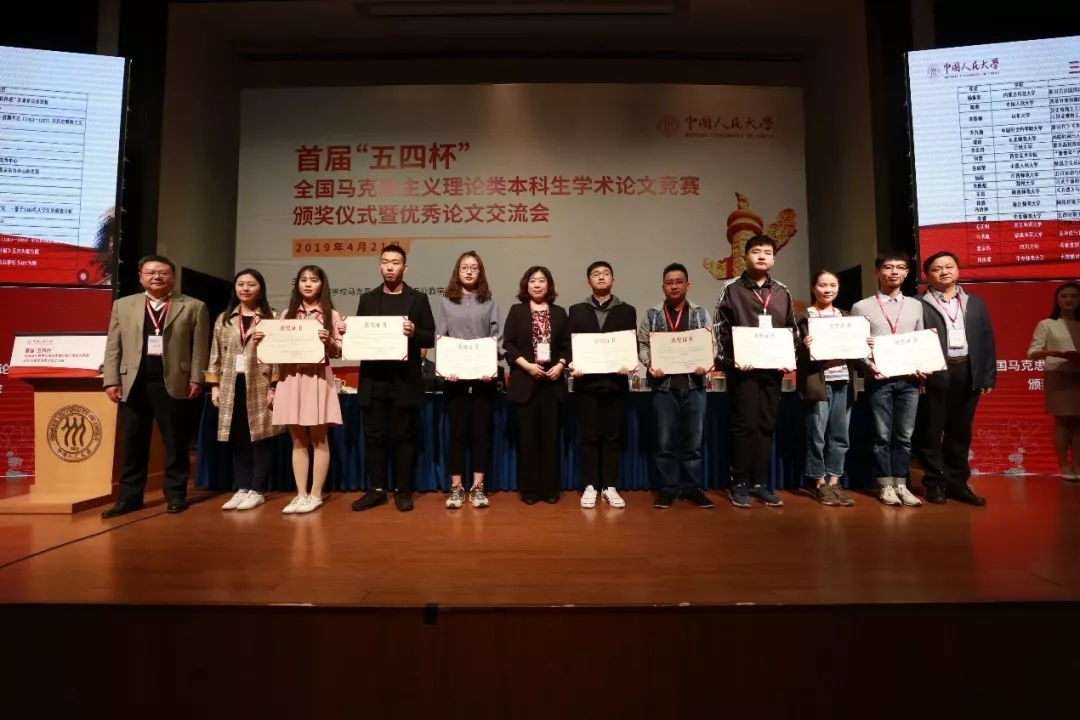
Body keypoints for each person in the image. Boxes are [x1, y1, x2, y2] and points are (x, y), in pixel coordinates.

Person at [101, 255, 209, 517]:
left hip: (174, 381)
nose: (157, 277)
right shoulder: (123, 305)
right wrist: (111, 379)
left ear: (173, 276)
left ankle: (175, 495)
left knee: (175, 443)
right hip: (133, 382)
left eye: (163, 273)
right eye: (150, 273)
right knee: (133, 443)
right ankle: (129, 498)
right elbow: (113, 345)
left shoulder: (193, 306)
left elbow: (200, 348)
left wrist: (197, 378)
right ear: (141, 277)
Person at [348, 244, 436, 513]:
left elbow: (430, 336)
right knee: (373, 437)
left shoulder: (417, 299)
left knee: (403, 437)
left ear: (404, 268)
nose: (389, 267)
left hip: (404, 380)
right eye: (385, 262)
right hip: (374, 379)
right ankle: (376, 490)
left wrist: (414, 332)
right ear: (379, 266)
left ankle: (402, 490)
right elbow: (358, 337)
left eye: (395, 262)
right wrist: (346, 331)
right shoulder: (368, 299)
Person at [713, 235, 798, 509]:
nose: (762, 256)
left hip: (772, 370)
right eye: (756, 251)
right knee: (744, 425)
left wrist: (789, 359)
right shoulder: (731, 289)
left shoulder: (782, 291)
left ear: (774, 258)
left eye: (767, 252)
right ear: (745, 257)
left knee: (766, 425)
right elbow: (720, 330)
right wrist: (735, 360)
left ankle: (760, 483)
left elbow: (791, 330)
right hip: (744, 371)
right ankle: (738, 482)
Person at [916, 251, 995, 506]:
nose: (944, 272)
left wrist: (987, 376)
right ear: (927, 275)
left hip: (967, 371)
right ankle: (934, 483)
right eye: (937, 268)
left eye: (949, 266)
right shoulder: (917, 304)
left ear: (958, 270)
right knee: (931, 431)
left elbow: (986, 338)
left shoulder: (975, 302)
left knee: (960, 431)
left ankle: (957, 483)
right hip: (934, 371)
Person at [637, 262, 715, 509]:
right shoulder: (652, 315)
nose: (674, 286)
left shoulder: (700, 313)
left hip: (695, 386)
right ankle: (668, 489)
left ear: (687, 285)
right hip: (664, 388)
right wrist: (650, 363)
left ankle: (691, 489)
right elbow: (642, 344)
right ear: (663, 286)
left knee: (694, 442)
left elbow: (711, 344)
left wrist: (706, 362)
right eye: (669, 282)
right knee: (665, 443)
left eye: (679, 281)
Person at [205, 269, 284, 511]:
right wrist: (215, 386)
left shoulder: (273, 317)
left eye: (251, 284)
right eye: (241, 284)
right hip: (231, 384)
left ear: (261, 288)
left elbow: (280, 356)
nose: (245, 289)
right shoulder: (225, 318)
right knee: (237, 436)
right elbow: (215, 353)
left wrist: (275, 386)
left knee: (261, 436)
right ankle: (242, 487)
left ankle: (257, 490)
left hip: (260, 383)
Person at [851, 251, 926, 507]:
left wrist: (922, 366)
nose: (894, 272)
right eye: (888, 267)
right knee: (881, 436)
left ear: (907, 273)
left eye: (900, 267)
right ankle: (885, 484)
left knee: (904, 436)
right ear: (877, 271)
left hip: (909, 380)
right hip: (879, 379)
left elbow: (920, 340)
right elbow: (856, 345)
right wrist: (869, 365)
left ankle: (901, 484)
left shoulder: (916, 305)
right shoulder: (861, 306)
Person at [272, 265, 343, 514]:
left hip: (317, 377)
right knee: (297, 439)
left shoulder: (331, 314)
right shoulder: (286, 314)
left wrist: (329, 341)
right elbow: (275, 348)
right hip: (291, 377)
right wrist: (263, 341)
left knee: (319, 438)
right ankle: (301, 494)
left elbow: (339, 351)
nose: (308, 284)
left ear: (322, 284)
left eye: (313, 280)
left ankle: (316, 494)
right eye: (303, 280)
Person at [567, 261, 637, 509]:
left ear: (613, 280)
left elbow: (630, 345)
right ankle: (590, 485)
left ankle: (610, 486)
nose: (601, 277)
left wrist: (629, 363)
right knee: (588, 436)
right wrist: (573, 363)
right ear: (588, 282)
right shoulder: (576, 310)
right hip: (586, 384)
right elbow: (570, 344)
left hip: (615, 383)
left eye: (606, 273)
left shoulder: (627, 310)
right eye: (595, 274)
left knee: (612, 436)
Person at [436, 250, 501, 509]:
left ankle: (477, 487)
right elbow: (441, 337)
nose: (469, 271)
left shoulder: (490, 301)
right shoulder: (446, 302)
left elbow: (497, 338)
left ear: (480, 272)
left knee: (481, 433)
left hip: (484, 378)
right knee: (457, 433)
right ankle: (456, 487)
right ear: (458, 271)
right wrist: (446, 367)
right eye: (464, 267)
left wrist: (490, 365)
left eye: (474, 267)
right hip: (455, 379)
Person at [795, 270, 865, 507]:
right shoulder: (803, 318)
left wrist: (866, 344)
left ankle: (835, 481)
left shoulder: (847, 318)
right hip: (818, 383)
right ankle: (819, 482)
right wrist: (803, 345)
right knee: (817, 434)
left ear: (838, 288)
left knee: (840, 435)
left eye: (832, 285)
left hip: (843, 381)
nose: (827, 290)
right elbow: (792, 353)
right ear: (813, 287)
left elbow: (858, 352)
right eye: (822, 285)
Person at [503, 266, 570, 505]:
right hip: (526, 382)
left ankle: (550, 489)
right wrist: (528, 366)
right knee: (527, 440)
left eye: (542, 280)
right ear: (526, 284)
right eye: (533, 280)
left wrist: (561, 365)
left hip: (552, 383)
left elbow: (567, 345)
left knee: (550, 439)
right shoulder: (517, 311)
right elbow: (509, 345)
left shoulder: (560, 313)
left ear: (549, 285)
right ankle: (529, 490)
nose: (538, 284)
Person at [1027, 281, 1080, 481]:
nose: (1069, 299)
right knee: (1063, 421)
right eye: (1064, 296)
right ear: (1057, 301)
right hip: (1059, 375)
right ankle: (1064, 466)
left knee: (1079, 423)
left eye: (1074, 296)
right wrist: (1052, 353)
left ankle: (1078, 465)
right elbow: (1032, 352)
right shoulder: (1047, 324)